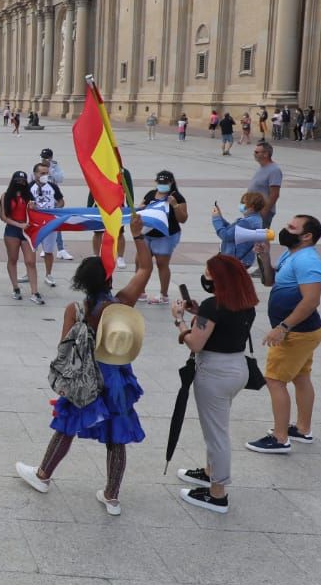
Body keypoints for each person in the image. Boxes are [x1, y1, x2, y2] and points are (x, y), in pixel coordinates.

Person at [15, 216, 153, 514]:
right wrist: (138, 235)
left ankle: (43, 475)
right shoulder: (120, 304)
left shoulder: (74, 310)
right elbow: (145, 268)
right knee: (117, 434)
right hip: (115, 377)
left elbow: (65, 346)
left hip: (84, 378)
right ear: (108, 278)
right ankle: (112, 496)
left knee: (66, 427)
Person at [172, 253, 259, 514]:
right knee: (217, 425)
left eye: (209, 273)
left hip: (215, 372)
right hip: (237, 368)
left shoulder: (213, 305)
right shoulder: (245, 302)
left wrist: (180, 321)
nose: (205, 277)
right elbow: (222, 326)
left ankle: (217, 493)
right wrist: (199, 314)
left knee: (216, 434)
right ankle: (210, 472)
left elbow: (195, 342)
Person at [247, 215, 321, 454]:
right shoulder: (291, 254)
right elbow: (270, 281)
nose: (285, 229)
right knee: (301, 377)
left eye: (292, 227)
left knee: (274, 380)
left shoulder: (308, 260)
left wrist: (283, 327)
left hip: (297, 333)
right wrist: (263, 256)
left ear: (307, 236)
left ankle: (280, 438)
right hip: (304, 331)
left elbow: (312, 300)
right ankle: (302, 429)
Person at [141, 169, 189, 304]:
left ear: (171, 182)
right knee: (141, 261)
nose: (162, 185)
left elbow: (183, 218)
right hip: (147, 233)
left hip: (166, 235)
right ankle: (140, 291)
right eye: (160, 182)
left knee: (162, 263)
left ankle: (164, 294)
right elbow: (141, 208)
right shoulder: (151, 194)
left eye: (165, 182)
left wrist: (175, 205)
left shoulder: (177, 197)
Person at [0, 170, 43, 305]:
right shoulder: (5, 196)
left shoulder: (29, 196)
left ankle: (34, 291)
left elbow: (36, 213)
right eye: (18, 180)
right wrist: (19, 224)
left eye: (23, 181)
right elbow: (3, 217)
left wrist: (34, 208)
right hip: (12, 230)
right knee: (13, 259)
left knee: (30, 261)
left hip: (27, 231)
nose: (21, 183)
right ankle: (16, 287)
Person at [29, 159, 64, 286]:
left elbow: (61, 201)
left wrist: (56, 209)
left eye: (46, 173)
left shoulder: (53, 186)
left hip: (49, 223)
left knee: (48, 250)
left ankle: (48, 274)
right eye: (42, 173)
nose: (44, 176)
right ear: (35, 174)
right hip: (33, 224)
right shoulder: (29, 187)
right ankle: (29, 272)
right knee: (31, 249)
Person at [212, 192, 269, 270]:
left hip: (235, 260)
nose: (241, 205)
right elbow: (231, 229)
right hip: (244, 260)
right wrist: (220, 217)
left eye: (243, 203)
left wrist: (216, 219)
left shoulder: (246, 222)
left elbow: (226, 235)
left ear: (251, 207)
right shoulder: (255, 219)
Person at [247, 141, 284, 228]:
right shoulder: (262, 167)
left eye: (256, 152)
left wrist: (264, 211)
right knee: (256, 239)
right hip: (253, 210)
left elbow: (274, 194)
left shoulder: (274, 170)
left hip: (261, 211)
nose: (254, 154)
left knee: (260, 238)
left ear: (266, 154)